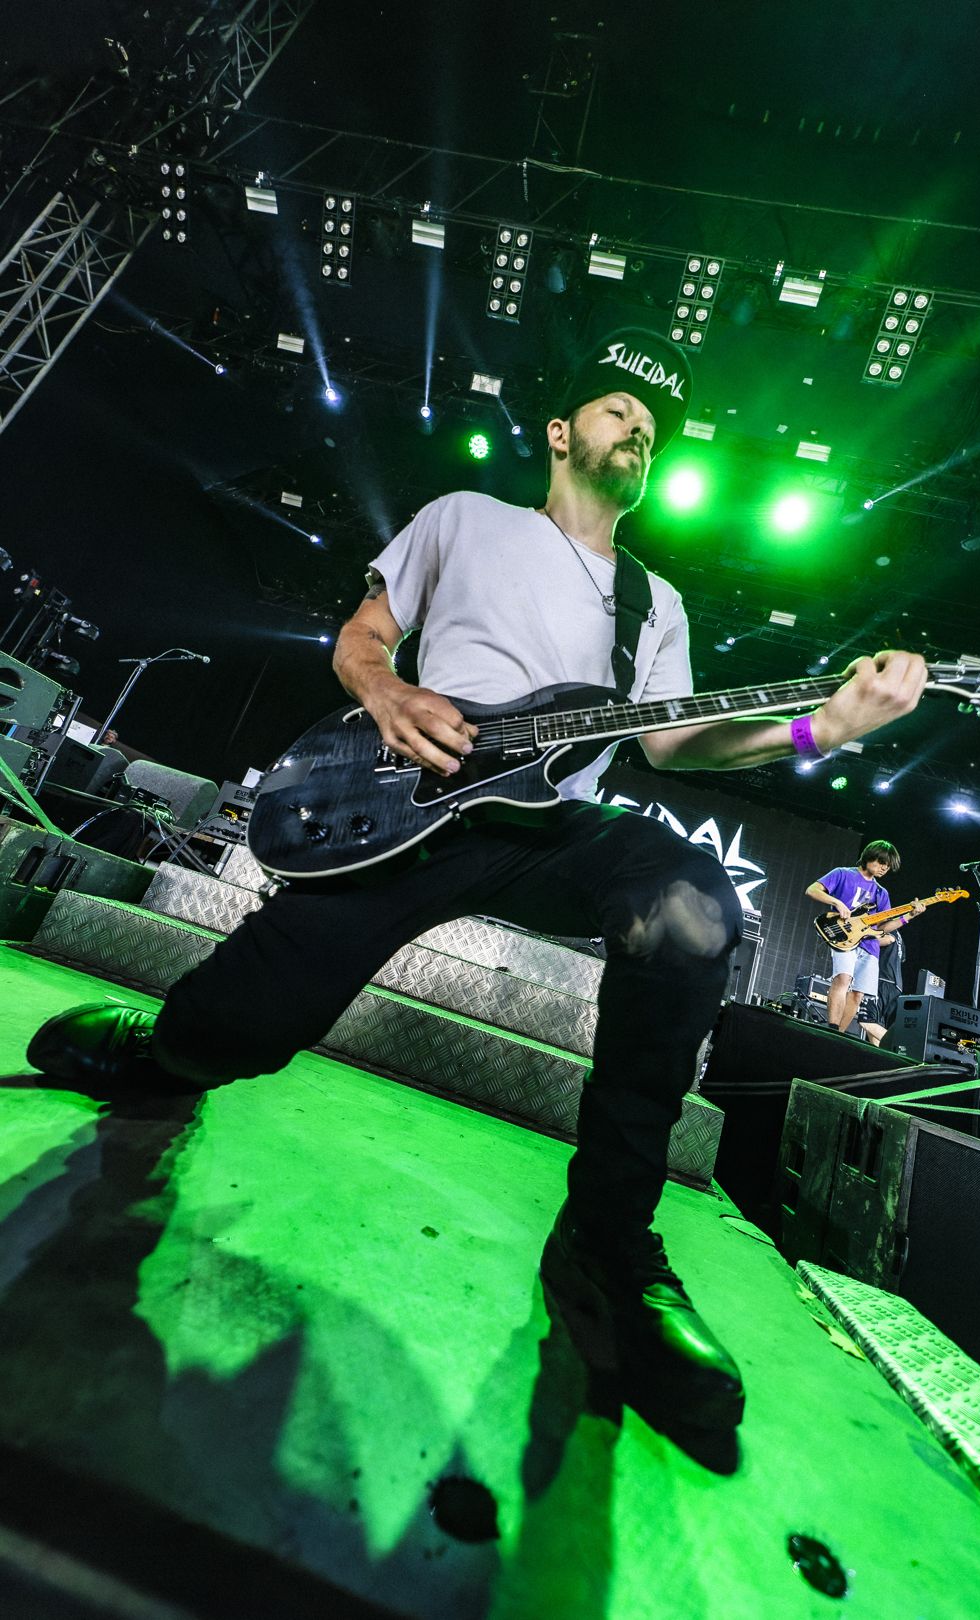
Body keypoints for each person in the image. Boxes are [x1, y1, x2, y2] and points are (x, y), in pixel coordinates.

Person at [27, 328, 928, 1439]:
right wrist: (388, 695)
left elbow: (680, 745)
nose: (638, 427)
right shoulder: (466, 519)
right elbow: (364, 635)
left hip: (555, 823)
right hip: (419, 801)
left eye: (655, 425)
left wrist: (821, 724)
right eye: (617, 408)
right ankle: (164, 1050)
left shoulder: (656, 605)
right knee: (247, 1026)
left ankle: (609, 1241)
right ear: (561, 431)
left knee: (691, 902)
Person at [806, 841, 925, 1036]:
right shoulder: (843, 873)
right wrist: (837, 903)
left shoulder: (881, 893)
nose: (884, 868)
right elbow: (812, 890)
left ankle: (838, 1035)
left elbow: (884, 928)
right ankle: (832, 1028)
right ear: (870, 856)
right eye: (882, 862)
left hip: (869, 945)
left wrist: (909, 916)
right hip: (845, 937)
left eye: (888, 866)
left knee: (858, 993)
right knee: (843, 978)